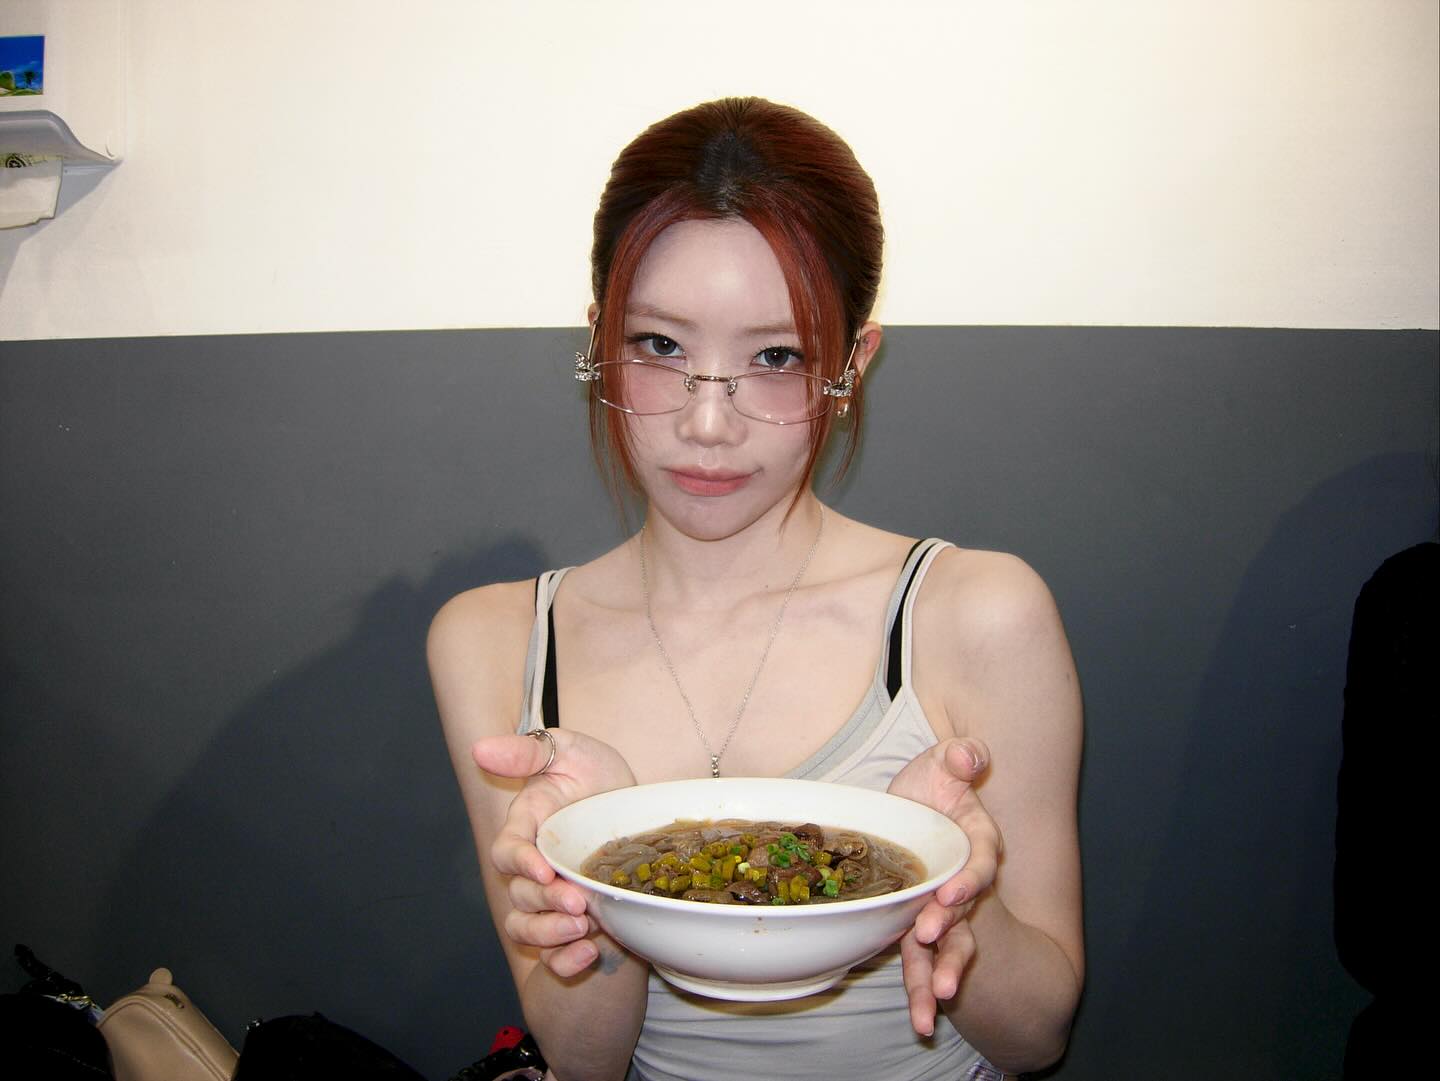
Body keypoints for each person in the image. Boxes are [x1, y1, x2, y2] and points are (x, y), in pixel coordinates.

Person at [428, 97, 1083, 1081]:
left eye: (776, 357)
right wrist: (592, 882)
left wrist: (943, 882)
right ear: (600, 338)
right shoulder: (491, 640)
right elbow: (584, 1061)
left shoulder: (979, 612)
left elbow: (1037, 1038)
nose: (707, 424)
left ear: (852, 364)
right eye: (660, 346)